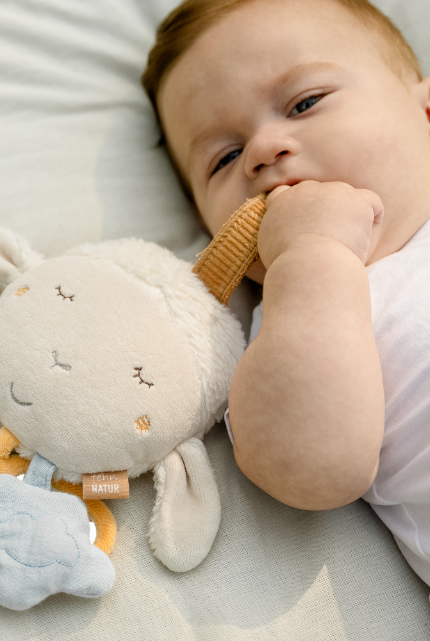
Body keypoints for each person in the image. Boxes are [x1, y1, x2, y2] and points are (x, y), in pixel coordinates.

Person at [142, 0, 430, 585]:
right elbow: (308, 468)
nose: (263, 150)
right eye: (223, 159)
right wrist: (313, 255)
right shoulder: (297, 314)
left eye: (305, 103)